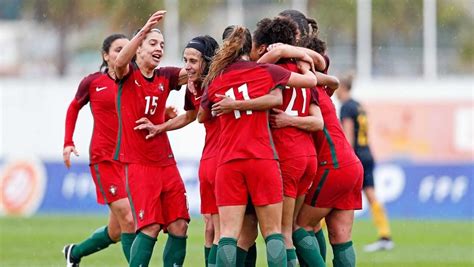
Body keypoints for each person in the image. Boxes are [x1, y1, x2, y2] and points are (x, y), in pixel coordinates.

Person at [198, 25, 318, 267]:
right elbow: (308, 82)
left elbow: (202, 116)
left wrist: (231, 105)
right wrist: (302, 57)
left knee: (229, 234)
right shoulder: (266, 71)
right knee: (273, 232)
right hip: (263, 159)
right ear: (250, 47)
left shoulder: (215, 80)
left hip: (229, 162)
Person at [113, 10, 190, 267]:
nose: (159, 48)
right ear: (139, 48)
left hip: (166, 163)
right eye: (152, 43)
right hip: (139, 164)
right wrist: (144, 30)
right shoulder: (127, 74)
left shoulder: (165, 76)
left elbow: (194, 71)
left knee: (180, 225)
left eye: (162, 45)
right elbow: (119, 62)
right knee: (151, 227)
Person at [144, 35, 220, 266]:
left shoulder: (220, 82)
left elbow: (202, 116)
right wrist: (160, 127)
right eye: (185, 60)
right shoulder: (193, 85)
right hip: (209, 158)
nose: (187, 66)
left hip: (227, 158)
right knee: (210, 227)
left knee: (225, 229)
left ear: (207, 61)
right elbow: (191, 115)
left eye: (193, 61)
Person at [62, 34, 135, 267]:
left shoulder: (136, 82)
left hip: (131, 160)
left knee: (116, 231)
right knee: (129, 220)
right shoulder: (93, 82)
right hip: (104, 159)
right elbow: (74, 107)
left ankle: (74, 253)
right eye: (118, 49)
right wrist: (68, 141)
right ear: (106, 55)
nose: (123, 53)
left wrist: (164, 117)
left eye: (127, 48)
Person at [292, 34, 363, 267]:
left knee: (298, 227)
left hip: (332, 165)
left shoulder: (306, 89)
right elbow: (331, 81)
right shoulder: (321, 88)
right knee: (340, 236)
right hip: (352, 165)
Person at [336, 73, 394, 252]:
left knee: (334, 197)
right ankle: (385, 235)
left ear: (342, 88)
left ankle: (311, 233)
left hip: (356, 156)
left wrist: (346, 157)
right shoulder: (359, 105)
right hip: (367, 153)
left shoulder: (346, 107)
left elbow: (348, 133)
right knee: (371, 194)